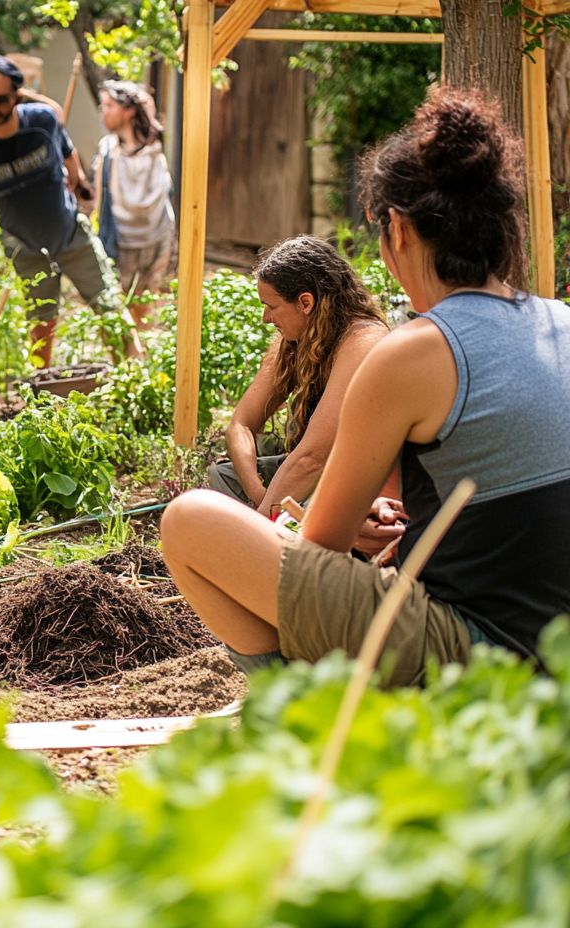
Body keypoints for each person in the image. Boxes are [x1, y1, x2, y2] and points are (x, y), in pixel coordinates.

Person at [160, 88, 570, 685]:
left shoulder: (410, 351)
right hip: (555, 635)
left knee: (190, 520)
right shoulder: (560, 322)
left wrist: (341, 526)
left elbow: (319, 546)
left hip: (482, 652)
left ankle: (306, 714)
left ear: (398, 230)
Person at [0, 55, 142, 367]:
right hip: (24, 248)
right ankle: (40, 391)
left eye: (1, 100)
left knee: (110, 307)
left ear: (16, 95)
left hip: (71, 235)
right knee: (41, 324)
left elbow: (68, 153)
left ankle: (134, 376)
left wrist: (79, 182)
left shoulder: (42, 122)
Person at [206, 236, 388, 518]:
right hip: (308, 474)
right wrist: (258, 492)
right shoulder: (293, 342)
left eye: (272, 306)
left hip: (355, 482)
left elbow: (314, 457)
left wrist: (262, 522)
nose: (265, 318)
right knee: (223, 475)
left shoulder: (362, 341)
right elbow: (240, 425)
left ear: (305, 302)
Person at [92, 79, 177, 324]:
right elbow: (101, 198)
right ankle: (128, 354)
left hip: (154, 238)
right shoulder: (108, 150)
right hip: (120, 240)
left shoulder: (155, 152)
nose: (103, 112)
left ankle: (140, 353)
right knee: (117, 303)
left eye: (109, 105)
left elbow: (157, 196)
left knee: (144, 302)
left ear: (128, 111)